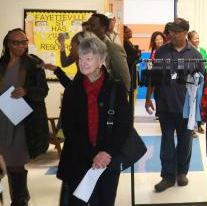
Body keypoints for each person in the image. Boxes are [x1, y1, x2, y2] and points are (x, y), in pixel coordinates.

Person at [56, 34, 131, 206]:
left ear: (101, 61)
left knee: (105, 202)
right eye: (81, 57)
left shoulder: (115, 87)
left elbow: (124, 125)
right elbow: (69, 128)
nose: (83, 62)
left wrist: (106, 153)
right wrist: (93, 154)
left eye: (89, 58)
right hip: (78, 158)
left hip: (108, 160)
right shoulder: (72, 90)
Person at [0, 29, 49, 206]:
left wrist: (26, 91)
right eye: (16, 42)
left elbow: (43, 91)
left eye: (24, 42)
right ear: (8, 44)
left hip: (22, 122)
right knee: (0, 160)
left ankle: (19, 200)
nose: (21, 46)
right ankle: (14, 197)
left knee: (16, 163)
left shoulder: (34, 64)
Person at [145, 20, 203, 192]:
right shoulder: (162, 51)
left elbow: (201, 83)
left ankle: (181, 173)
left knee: (185, 141)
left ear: (185, 32)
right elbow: (153, 78)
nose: (172, 35)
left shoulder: (195, 54)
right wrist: (148, 98)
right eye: (171, 31)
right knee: (167, 142)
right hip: (165, 105)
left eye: (176, 32)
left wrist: (200, 108)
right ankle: (168, 176)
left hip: (187, 108)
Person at [81, 12, 133, 91]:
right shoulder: (84, 48)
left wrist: (114, 101)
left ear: (103, 28)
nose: (89, 29)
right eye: (88, 26)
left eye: (93, 26)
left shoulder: (114, 49)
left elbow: (125, 82)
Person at [122, 25, 142, 107]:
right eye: (128, 31)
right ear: (124, 34)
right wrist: (137, 55)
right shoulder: (124, 44)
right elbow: (128, 58)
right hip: (129, 70)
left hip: (133, 70)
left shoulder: (129, 42)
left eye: (130, 31)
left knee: (133, 91)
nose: (131, 33)